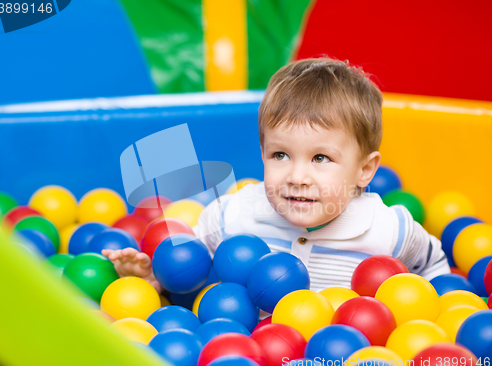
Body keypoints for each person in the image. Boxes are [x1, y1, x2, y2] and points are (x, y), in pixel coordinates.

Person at [103, 57, 450, 293]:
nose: (298, 176)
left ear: (364, 170)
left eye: (320, 158)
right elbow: (186, 264)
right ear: (263, 154)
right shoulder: (234, 215)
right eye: (280, 155)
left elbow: (433, 264)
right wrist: (155, 279)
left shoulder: (388, 229)